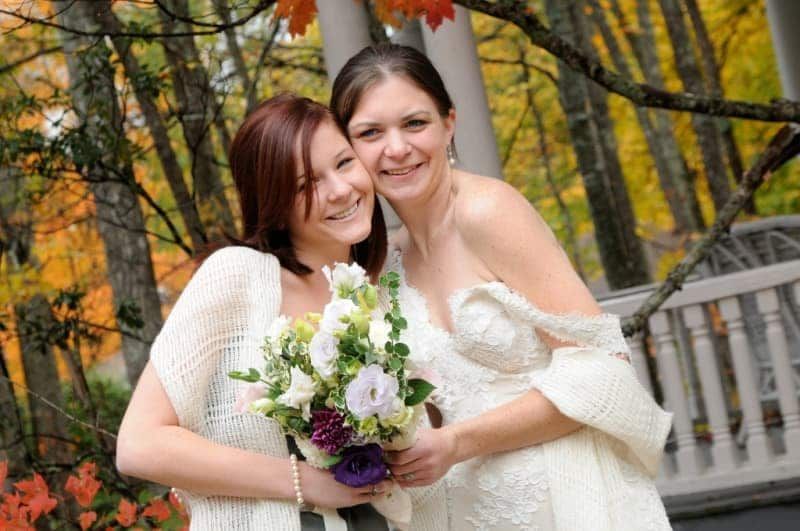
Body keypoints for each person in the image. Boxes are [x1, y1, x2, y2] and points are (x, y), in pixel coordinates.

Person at [331, 44, 673, 531]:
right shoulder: (384, 269)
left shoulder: (489, 212)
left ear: (448, 123)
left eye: (414, 123)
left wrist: (456, 443)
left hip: (571, 497)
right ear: (350, 150)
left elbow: (602, 370)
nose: (396, 148)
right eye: (370, 132)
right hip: (470, 513)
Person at [116, 94, 446, 530]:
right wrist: (302, 481)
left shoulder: (382, 293)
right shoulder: (238, 278)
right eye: (305, 184)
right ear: (273, 202)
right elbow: (139, 445)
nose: (341, 190)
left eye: (344, 163)